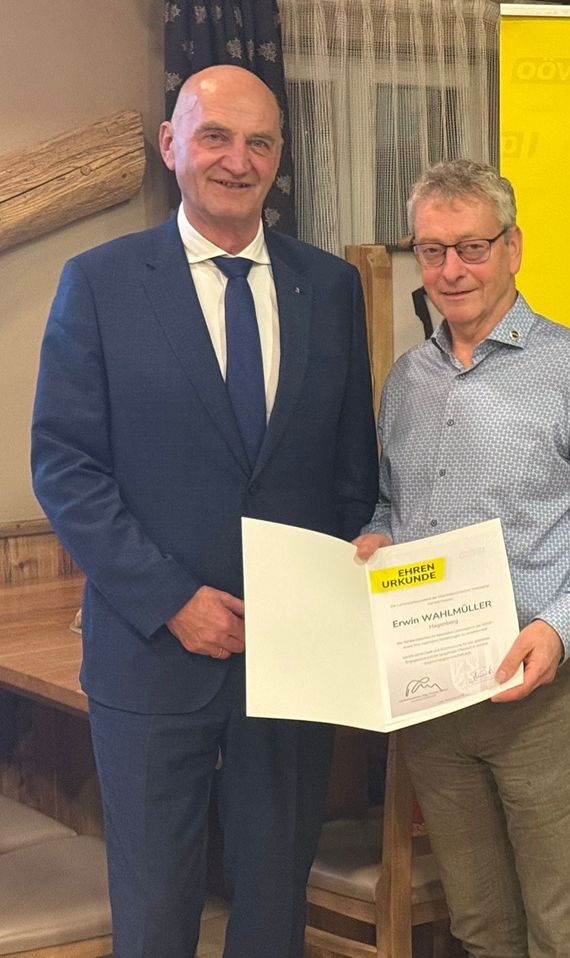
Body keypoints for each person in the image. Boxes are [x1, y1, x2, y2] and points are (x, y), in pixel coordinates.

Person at [29, 65, 377, 956]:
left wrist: (341, 582)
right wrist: (173, 600)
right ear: (170, 145)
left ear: (279, 157)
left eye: (259, 142)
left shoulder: (330, 287)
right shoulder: (100, 282)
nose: (237, 160)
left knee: (274, 908)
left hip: (291, 660)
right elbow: (66, 467)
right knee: (154, 914)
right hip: (151, 654)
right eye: (215, 136)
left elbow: (351, 471)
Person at [352, 158, 570, 958]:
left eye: (472, 247)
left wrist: (558, 628)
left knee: (564, 928)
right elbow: (392, 504)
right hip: (433, 702)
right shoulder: (408, 382)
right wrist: (379, 538)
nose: (451, 270)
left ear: (513, 247)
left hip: (544, 700)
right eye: (432, 251)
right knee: (480, 926)